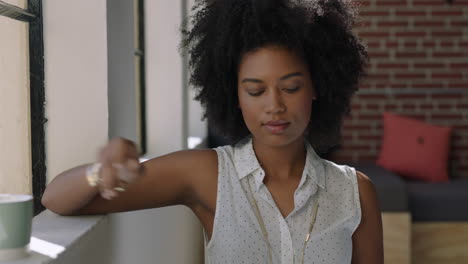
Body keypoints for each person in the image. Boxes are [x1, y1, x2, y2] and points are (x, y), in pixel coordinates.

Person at [42, 0, 383, 263]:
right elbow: (56, 199)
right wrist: (99, 172)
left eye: (291, 88)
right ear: (233, 95)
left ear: (316, 88)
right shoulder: (209, 175)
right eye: (255, 90)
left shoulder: (354, 192)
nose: (274, 105)